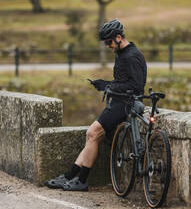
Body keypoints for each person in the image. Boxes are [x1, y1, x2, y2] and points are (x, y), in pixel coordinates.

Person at [44, 18, 147, 191]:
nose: (107, 46)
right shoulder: (123, 54)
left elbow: (136, 86)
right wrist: (105, 84)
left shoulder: (131, 56)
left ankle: (81, 180)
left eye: (108, 42)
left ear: (119, 37)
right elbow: (123, 81)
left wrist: (109, 86)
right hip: (119, 101)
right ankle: (70, 176)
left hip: (125, 104)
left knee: (92, 132)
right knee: (93, 137)